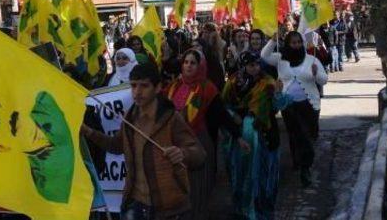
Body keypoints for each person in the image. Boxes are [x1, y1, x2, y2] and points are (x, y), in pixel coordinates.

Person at [82, 63, 206, 220]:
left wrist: (183, 153)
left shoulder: (171, 119)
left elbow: (199, 153)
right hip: (135, 205)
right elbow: (117, 146)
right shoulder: (129, 118)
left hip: (168, 208)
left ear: (158, 87)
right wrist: (90, 132)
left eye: (144, 86)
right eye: (133, 86)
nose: (137, 92)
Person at [165, 49, 249, 220]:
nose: (188, 66)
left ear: (200, 66)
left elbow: (222, 115)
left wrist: (238, 136)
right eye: (186, 62)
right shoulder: (174, 87)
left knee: (197, 190)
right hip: (175, 145)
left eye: (193, 63)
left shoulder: (207, 89)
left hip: (199, 144)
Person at [222, 52, 291, 219]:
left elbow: (279, 106)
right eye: (251, 65)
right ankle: (243, 209)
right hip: (240, 137)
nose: (255, 68)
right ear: (243, 65)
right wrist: (234, 117)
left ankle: (261, 211)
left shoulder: (268, 82)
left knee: (263, 176)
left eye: (257, 64)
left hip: (264, 134)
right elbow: (224, 105)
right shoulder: (233, 82)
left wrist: (279, 93)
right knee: (241, 173)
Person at [261, 31, 328, 187]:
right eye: (293, 42)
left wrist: (316, 74)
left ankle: (305, 164)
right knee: (295, 134)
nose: (296, 45)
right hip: (288, 104)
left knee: (307, 135)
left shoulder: (312, 59)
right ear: (288, 44)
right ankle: (300, 163)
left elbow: (324, 80)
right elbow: (264, 55)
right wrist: (272, 40)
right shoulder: (280, 59)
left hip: (309, 104)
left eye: (299, 42)